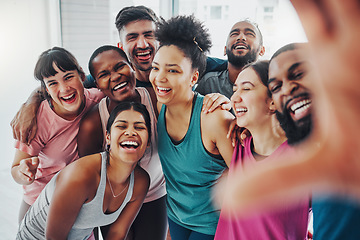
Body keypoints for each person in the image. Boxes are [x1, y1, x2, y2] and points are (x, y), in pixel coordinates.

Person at [222, 42, 360, 239]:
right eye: (276, 86)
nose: (287, 89)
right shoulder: (240, 143)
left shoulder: (317, 156)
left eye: (299, 74)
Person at [149, 15, 235, 240]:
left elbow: (244, 173)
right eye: (156, 68)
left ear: (193, 77)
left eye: (173, 70)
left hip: (210, 224)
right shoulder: (161, 106)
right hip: (176, 217)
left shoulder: (213, 117)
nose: (159, 78)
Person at [16, 102, 151, 240]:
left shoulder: (140, 182)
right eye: (121, 126)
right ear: (108, 137)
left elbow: (116, 234)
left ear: (148, 142)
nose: (130, 132)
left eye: (139, 127)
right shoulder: (81, 176)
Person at [78, 45, 167, 240]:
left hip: (153, 195)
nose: (116, 76)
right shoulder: (92, 124)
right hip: (113, 202)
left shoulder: (155, 98)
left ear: (132, 67)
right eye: (104, 74)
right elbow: (88, 183)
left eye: (120, 67)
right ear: (98, 85)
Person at [215, 60, 309, 239]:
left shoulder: (302, 158)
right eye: (235, 90)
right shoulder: (240, 146)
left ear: (274, 102)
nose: (234, 98)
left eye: (246, 88)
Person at [10, 47, 104, 222]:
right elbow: (16, 169)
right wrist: (23, 172)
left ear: (82, 77)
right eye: (53, 83)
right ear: (45, 89)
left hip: (79, 200)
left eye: (68, 77)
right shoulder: (38, 119)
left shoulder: (98, 100)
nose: (64, 88)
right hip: (40, 203)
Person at [195, 19, 265, 99]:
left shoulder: (268, 85)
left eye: (249, 34)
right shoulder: (209, 82)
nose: (241, 37)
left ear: (262, 50)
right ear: (225, 50)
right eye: (234, 34)